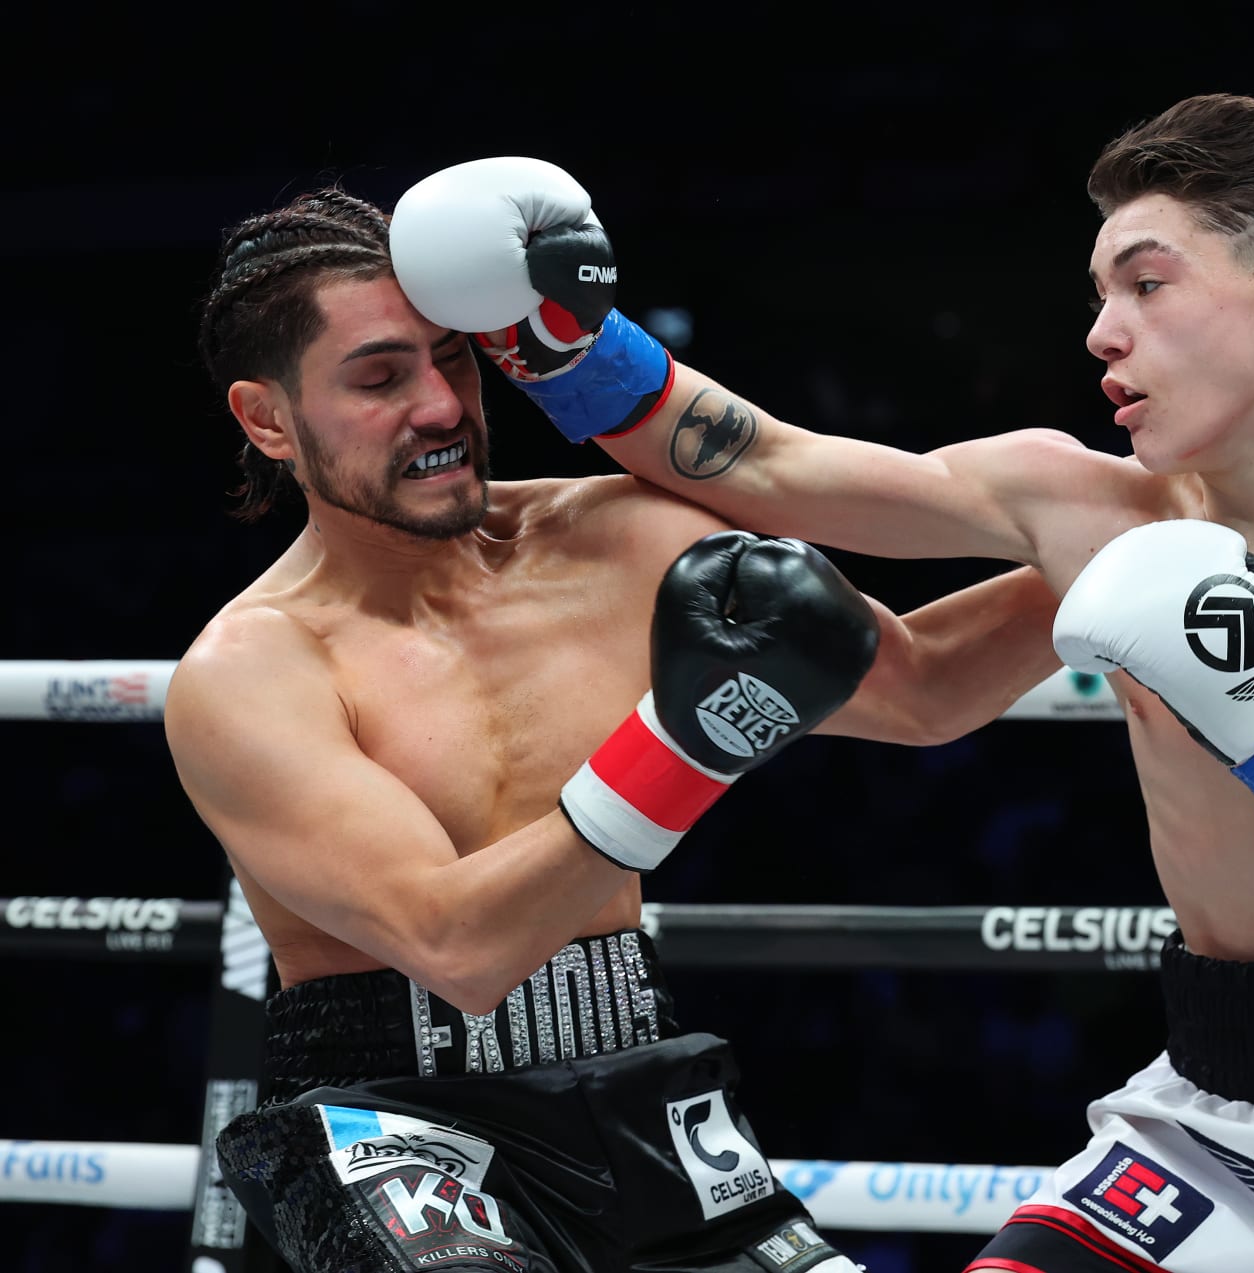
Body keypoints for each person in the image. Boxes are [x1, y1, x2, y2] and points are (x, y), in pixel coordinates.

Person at [387, 92, 1254, 1272]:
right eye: (1098, 289)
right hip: (1213, 1129)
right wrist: (552, 336)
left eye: (1147, 283)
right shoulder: (1086, 507)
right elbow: (768, 468)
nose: (1102, 332)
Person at [164, 185, 1065, 1273]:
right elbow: (458, 945)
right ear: (267, 419)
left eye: (453, 359)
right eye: (380, 377)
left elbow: (927, 691)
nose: (443, 406)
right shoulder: (252, 670)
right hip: (389, 1119)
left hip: (637, 1083)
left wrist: (1143, 551)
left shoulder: (617, 539)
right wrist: (685, 745)